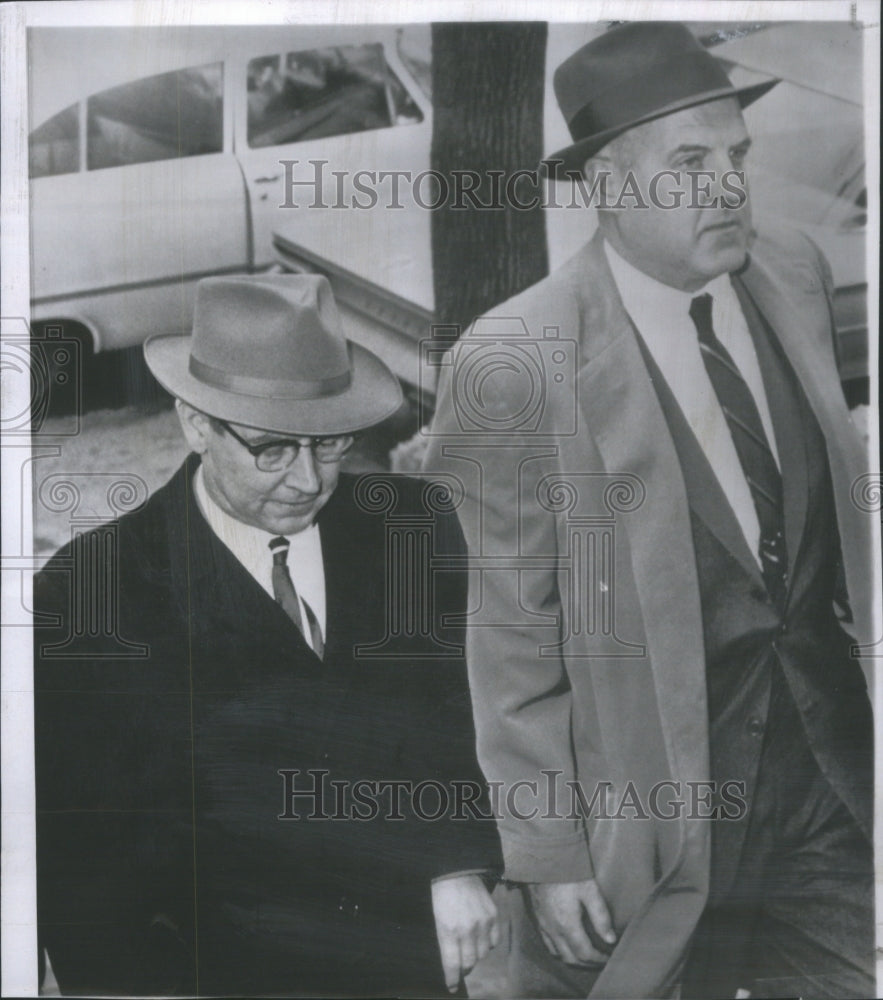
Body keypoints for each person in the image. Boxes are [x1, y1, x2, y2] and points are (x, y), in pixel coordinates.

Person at [424, 21, 874, 1000]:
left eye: (737, 156)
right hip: (651, 821)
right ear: (606, 184)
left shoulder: (790, 271)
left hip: (828, 785)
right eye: (689, 161)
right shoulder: (516, 358)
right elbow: (508, 637)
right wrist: (547, 848)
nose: (727, 184)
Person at [34, 274, 501, 997]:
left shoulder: (408, 527)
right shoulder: (93, 590)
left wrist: (453, 859)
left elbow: (452, 710)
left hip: (402, 954)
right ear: (195, 423)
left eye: (332, 444)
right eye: (272, 449)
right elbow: (84, 857)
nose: (308, 480)